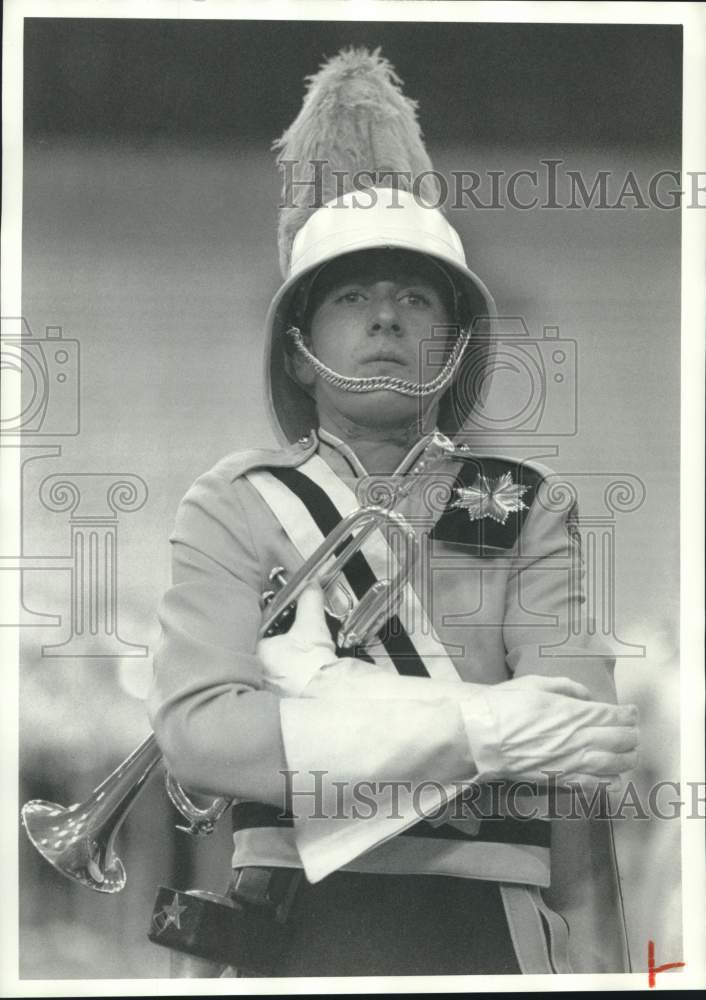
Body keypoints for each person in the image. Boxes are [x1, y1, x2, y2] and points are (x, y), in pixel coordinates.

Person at [148, 49, 638, 977]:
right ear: (299, 351)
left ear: (456, 346)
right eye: (351, 297)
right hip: (282, 925)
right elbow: (202, 734)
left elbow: (578, 729)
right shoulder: (232, 498)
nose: (386, 319)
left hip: (489, 919)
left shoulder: (525, 500)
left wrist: (305, 706)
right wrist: (486, 724)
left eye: (416, 297)